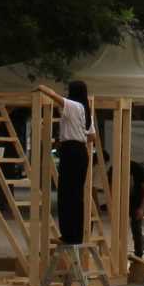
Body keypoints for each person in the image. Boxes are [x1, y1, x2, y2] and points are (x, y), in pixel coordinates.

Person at [55, 80, 92, 247]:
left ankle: (69, 235)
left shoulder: (74, 105)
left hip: (71, 151)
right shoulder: (85, 109)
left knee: (66, 195)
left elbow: (56, 98)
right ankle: (75, 235)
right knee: (76, 196)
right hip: (80, 151)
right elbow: (93, 137)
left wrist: (42, 88)